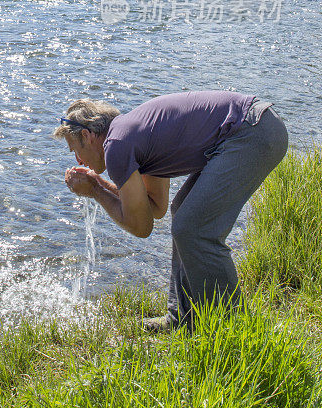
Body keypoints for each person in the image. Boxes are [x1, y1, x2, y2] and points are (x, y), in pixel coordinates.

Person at [56, 91, 288, 332]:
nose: (78, 160)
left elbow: (141, 227)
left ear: (87, 135)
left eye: (75, 150)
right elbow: (155, 207)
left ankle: (233, 330)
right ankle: (182, 320)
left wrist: (94, 190)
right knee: (183, 214)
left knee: (193, 229)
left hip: (252, 131)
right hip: (256, 124)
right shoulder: (132, 133)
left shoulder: (116, 146)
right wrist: (100, 184)